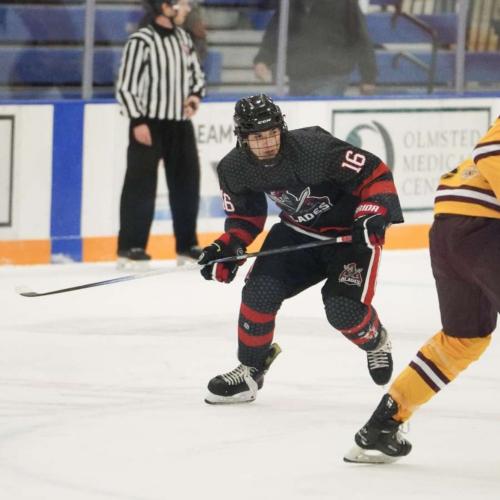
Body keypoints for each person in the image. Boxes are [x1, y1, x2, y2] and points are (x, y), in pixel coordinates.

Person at [198, 94, 403, 404]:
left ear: (281, 129)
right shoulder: (234, 168)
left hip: (349, 238)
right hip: (298, 233)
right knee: (259, 293)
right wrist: (228, 245)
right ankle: (251, 371)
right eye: (258, 137)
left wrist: (373, 211)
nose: (268, 143)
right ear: (242, 138)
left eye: (272, 133)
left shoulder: (314, 149)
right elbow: (245, 217)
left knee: (343, 311)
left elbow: (374, 173)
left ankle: (376, 341)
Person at [344, 117, 500, 464]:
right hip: (483, 227)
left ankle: (384, 424)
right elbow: (491, 152)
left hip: (454, 227)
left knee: (464, 339)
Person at [116, 0, 205, 269]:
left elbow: (197, 76)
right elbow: (126, 85)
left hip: (179, 123)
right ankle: (131, 246)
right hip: (148, 123)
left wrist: (194, 96)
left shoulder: (183, 38)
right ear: (165, 6)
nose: (186, 9)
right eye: (181, 4)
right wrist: (138, 120)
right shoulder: (141, 40)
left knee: (187, 184)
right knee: (140, 186)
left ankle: (187, 245)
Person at [253, 0, 377, 97]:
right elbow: (276, 32)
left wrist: (368, 77)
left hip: (332, 76)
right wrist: (262, 60)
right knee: (302, 120)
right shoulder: (290, 3)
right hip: (297, 76)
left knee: (317, 118)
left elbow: (360, 38)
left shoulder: (344, 2)